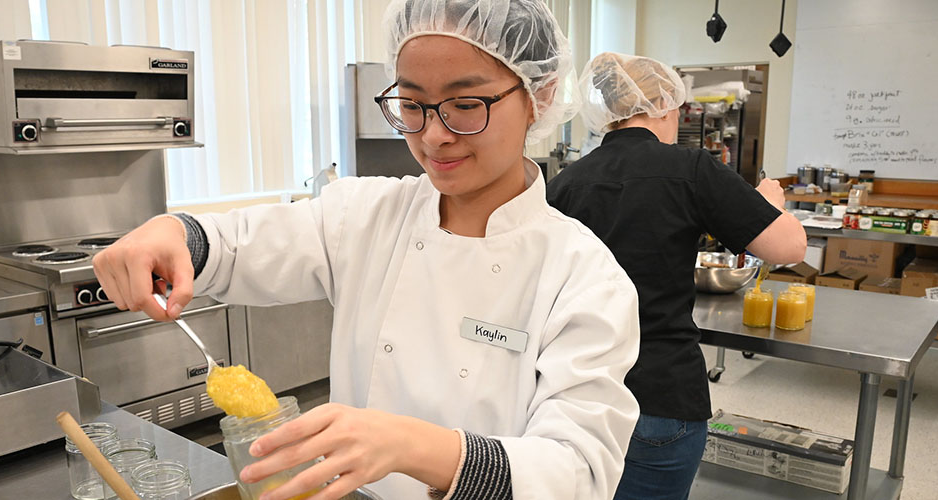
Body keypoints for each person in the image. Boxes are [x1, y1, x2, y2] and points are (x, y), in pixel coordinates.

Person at [94, 3, 642, 499]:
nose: (433, 136)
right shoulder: (365, 214)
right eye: (412, 105)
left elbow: (578, 472)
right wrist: (175, 234)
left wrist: (414, 447)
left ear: (539, 96)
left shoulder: (583, 277)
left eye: (465, 104)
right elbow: (238, 246)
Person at [546, 53, 806, 500]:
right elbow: (789, 247)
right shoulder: (691, 169)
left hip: (579, 393)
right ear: (665, 106)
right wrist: (769, 204)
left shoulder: (567, 182)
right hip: (660, 395)